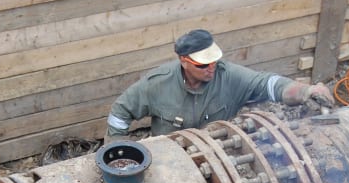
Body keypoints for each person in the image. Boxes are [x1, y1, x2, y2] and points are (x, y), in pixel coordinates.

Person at [106, 29, 335, 139]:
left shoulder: (229, 76)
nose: (211, 68)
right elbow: (121, 111)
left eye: (214, 62)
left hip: (217, 154)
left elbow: (268, 84)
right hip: (171, 160)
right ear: (184, 61)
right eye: (204, 65)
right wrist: (119, 146)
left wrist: (305, 91)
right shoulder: (158, 84)